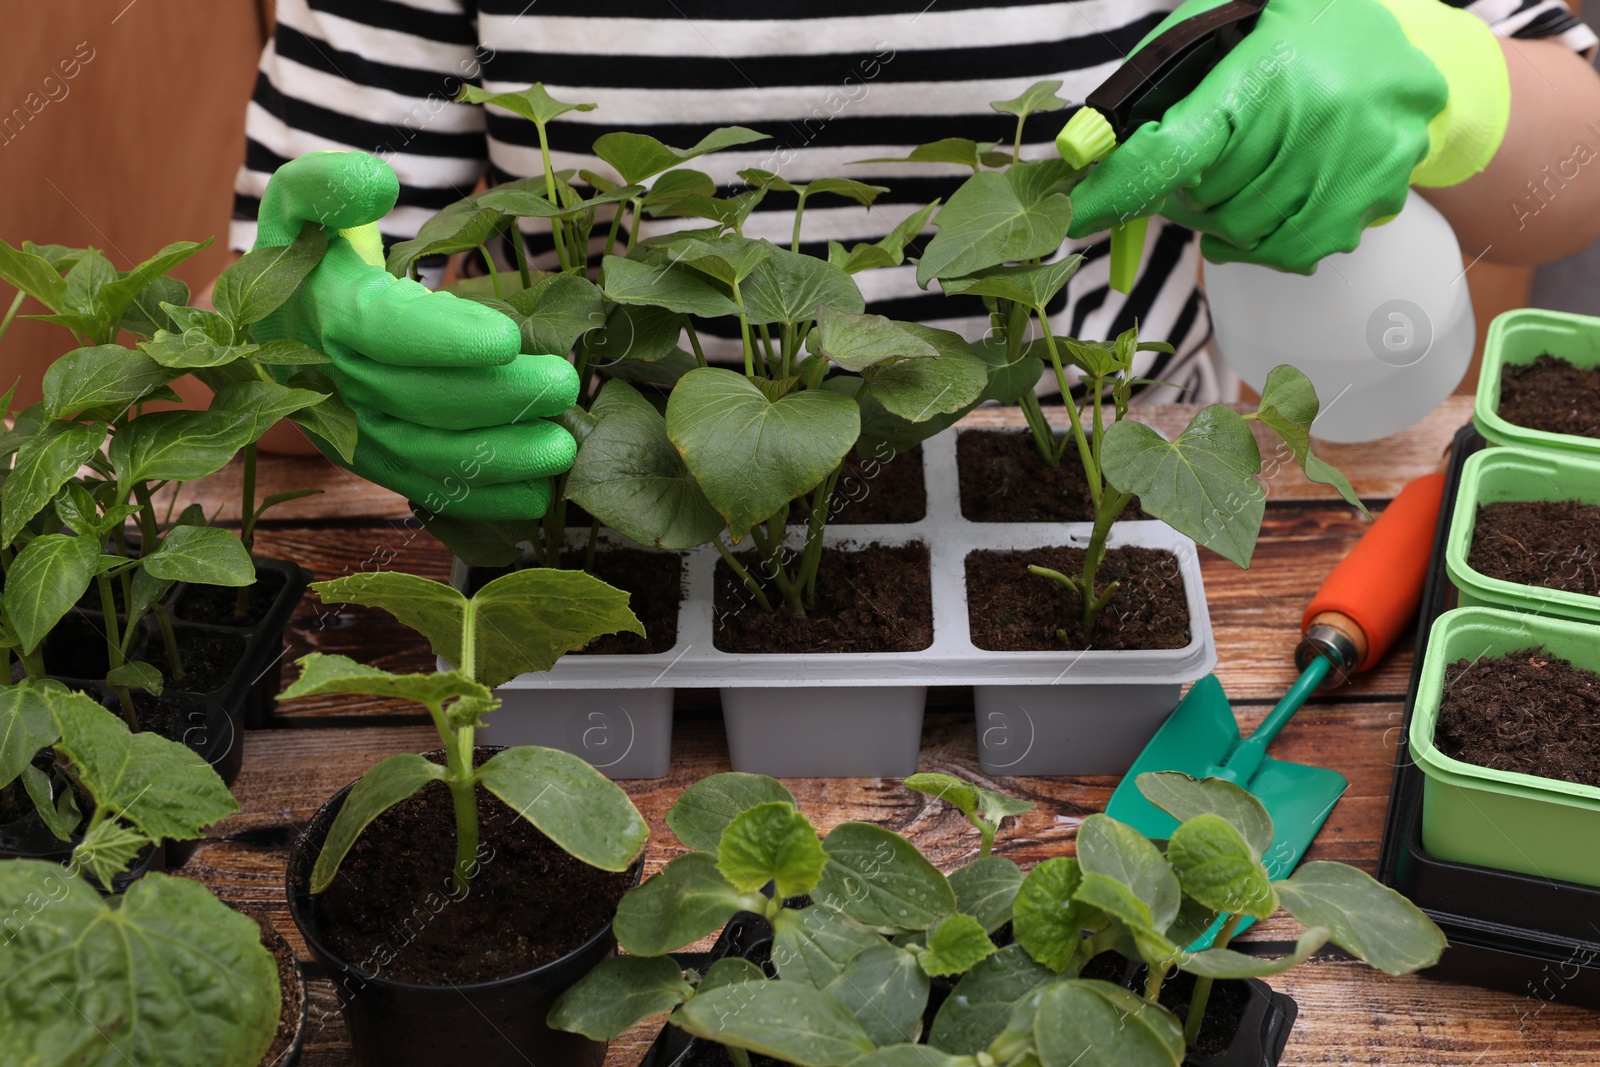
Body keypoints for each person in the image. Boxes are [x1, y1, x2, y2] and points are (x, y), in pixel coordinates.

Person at [231, 0, 1600, 519]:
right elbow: (245, 322)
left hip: (1103, 490)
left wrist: (1448, 72)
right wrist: (307, 337)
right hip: (623, 502)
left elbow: (1576, 159)